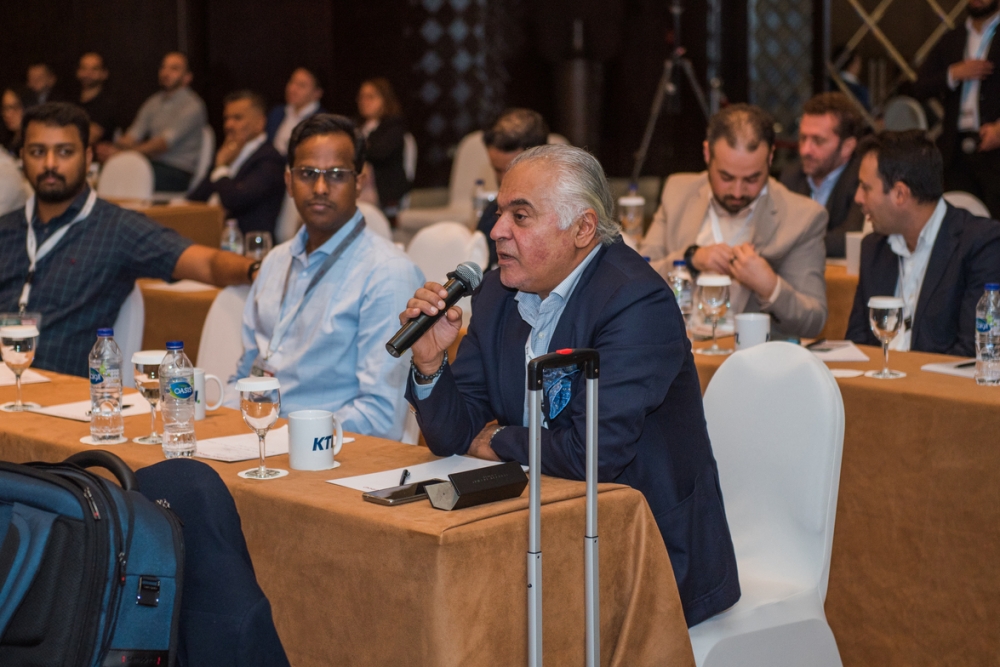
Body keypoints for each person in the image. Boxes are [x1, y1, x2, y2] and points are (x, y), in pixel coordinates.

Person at [402, 144, 740, 627]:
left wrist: (498, 439)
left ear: (583, 229)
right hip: (531, 530)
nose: (497, 231)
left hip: (640, 551)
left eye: (520, 216)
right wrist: (430, 361)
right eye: (500, 212)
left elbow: (592, 455)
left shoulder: (635, 300)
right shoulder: (497, 293)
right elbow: (453, 435)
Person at [0, 103, 256, 377]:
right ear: (22, 156)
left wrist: (257, 270)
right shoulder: (6, 229)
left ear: (87, 157)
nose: (50, 164)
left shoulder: (116, 229)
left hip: (63, 394)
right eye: (38, 152)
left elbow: (206, 263)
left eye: (64, 152)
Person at [229, 114, 423, 438]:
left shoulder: (388, 273)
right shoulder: (275, 262)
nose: (320, 188)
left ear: (359, 181)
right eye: (307, 174)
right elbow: (245, 376)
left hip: (331, 453)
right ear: (289, 181)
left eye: (336, 175)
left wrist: (288, 437)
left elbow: (380, 416)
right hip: (260, 438)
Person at [639, 103, 829, 339]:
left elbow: (813, 322)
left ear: (770, 158)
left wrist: (770, 287)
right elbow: (636, 280)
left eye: (752, 179)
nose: (738, 192)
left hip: (750, 354)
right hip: (675, 345)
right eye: (726, 177)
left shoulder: (802, 217)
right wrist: (690, 259)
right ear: (707, 154)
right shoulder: (678, 191)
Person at [846, 130, 1000, 355]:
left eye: (866, 188)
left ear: (900, 194)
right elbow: (857, 345)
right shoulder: (874, 248)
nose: (858, 198)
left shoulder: (980, 244)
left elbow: (973, 351)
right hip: (879, 376)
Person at [912, 0, 1000, 218]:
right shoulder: (953, 38)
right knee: (959, 220)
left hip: (995, 146)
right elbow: (919, 86)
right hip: (956, 150)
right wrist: (953, 73)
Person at [105, 52, 207, 192]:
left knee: (127, 173)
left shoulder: (192, 105)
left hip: (177, 171)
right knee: (113, 169)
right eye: (163, 67)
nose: (166, 72)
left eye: (174, 68)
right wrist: (113, 148)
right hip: (152, 164)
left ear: (187, 77)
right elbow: (133, 135)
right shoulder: (153, 102)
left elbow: (162, 144)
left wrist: (125, 155)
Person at [780, 92, 866, 257]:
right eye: (803, 138)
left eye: (818, 141)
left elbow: (849, 240)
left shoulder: (862, 180)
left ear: (847, 147)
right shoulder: (792, 177)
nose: (805, 150)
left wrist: (793, 243)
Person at [188, 91, 285, 236]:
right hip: (210, 232)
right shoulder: (228, 152)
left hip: (247, 240)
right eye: (226, 118)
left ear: (260, 122)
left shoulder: (270, 159)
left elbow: (235, 200)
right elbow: (197, 197)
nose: (229, 125)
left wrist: (221, 167)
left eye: (237, 118)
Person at [476, 108, 550, 268]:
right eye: (497, 170)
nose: (504, 180)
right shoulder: (490, 216)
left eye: (511, 170)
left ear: (541, 160)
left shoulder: (562, 219)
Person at [357, 77, 410, 215]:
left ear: (385, 99)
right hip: (359, 187)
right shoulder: (358, 127)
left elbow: (379, 153)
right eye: (362, 97)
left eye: (370, 97)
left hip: (383, 190)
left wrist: (360, 147)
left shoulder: (393, 125)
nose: (364, 102)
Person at [266, 67, 325, 157]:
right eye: (291, 82)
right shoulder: (277, 112)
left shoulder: (321, 121)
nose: (292, 89)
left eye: (301, 85)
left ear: (317, 93)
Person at [76, 52, 120, 148]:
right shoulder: (69, 100)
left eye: (94, 69)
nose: (88, 73)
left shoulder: (108, 104)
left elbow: (91, 137)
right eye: (84, 68)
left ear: (104, 73)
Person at [832, 46, 871, 111]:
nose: (860, 66)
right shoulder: (860, 90)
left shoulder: (827, 83)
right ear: (853, 64)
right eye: (858, 63)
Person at [1, 86, 31, 155]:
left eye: (15, 107)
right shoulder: (6, 139)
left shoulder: (34, 141)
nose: (7, 114)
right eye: (4, 108)